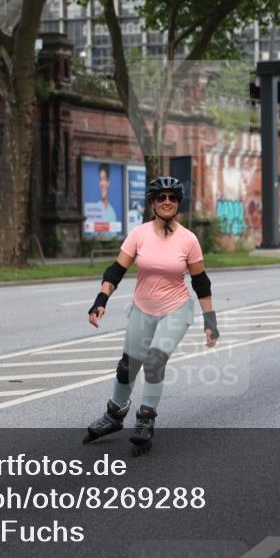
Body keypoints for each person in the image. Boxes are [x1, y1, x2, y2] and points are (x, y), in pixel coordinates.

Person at [83, 176, 220, 455]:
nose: (166, 202)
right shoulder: (139, 234)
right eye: (161, 197)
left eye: (172, 197)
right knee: (127, 368)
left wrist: (210, 322)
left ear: (178, 203)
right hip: (142, 308)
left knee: (155, 360)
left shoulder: (188, 239)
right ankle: (114, 415)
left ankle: (145, 419)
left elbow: (201, 282)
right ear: (152, 203)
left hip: (176, 309)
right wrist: (101, 300)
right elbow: (115, 271)